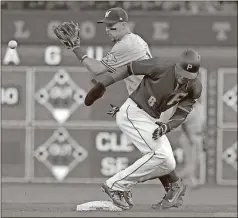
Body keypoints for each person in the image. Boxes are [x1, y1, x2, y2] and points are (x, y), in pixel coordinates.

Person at [53, 7, 182, 209]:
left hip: (148, 104)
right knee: (154, 151)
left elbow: (97, 69)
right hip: (151, 101)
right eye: (106, 27)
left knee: (155, 152)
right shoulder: (133, 41)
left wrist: (76, 48)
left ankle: (128, 186)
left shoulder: (127, 44)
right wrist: (102, 84)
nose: (108, 30)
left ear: (124, 24)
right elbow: (113, 74)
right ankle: (172, 187)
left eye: (112, 27)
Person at [84, 49, 202, 210]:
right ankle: (116, 185)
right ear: (178, 65)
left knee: (168, 163)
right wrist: (103, 83)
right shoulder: (160, 65)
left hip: (151, 119)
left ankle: (173, 186)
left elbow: (183, 112)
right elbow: (129, 68)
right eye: (181, 73)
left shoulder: (194, 87)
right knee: (159, 154)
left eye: (188, 76)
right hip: (133, 113)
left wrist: (167, 126)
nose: (183, 78)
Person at [178, 101, 206, 188]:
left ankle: (176, 178)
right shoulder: (187, 109)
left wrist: (204, 139)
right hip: (189, 137)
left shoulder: (201, 108)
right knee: (190, 161)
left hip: (199, 136)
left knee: (198, 160)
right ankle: (191, 182)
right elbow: (183, 124)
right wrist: (189, 138)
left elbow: (202, 124)